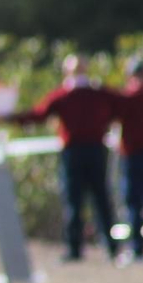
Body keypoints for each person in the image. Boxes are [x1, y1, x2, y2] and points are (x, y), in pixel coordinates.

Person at [9, 54, 118, 262]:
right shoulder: (96, 93)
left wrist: (11, 117)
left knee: (78, 199)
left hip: (77, 151)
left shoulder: (66, 95)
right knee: (97, 198)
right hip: (92, 151)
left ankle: (79, 248)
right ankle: (107, 247)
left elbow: (38, 115)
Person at [114, 57, 143, 263]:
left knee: (133, 202)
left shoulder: (127, 97)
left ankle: (137, 248)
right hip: (135, 154)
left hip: (134, 155)